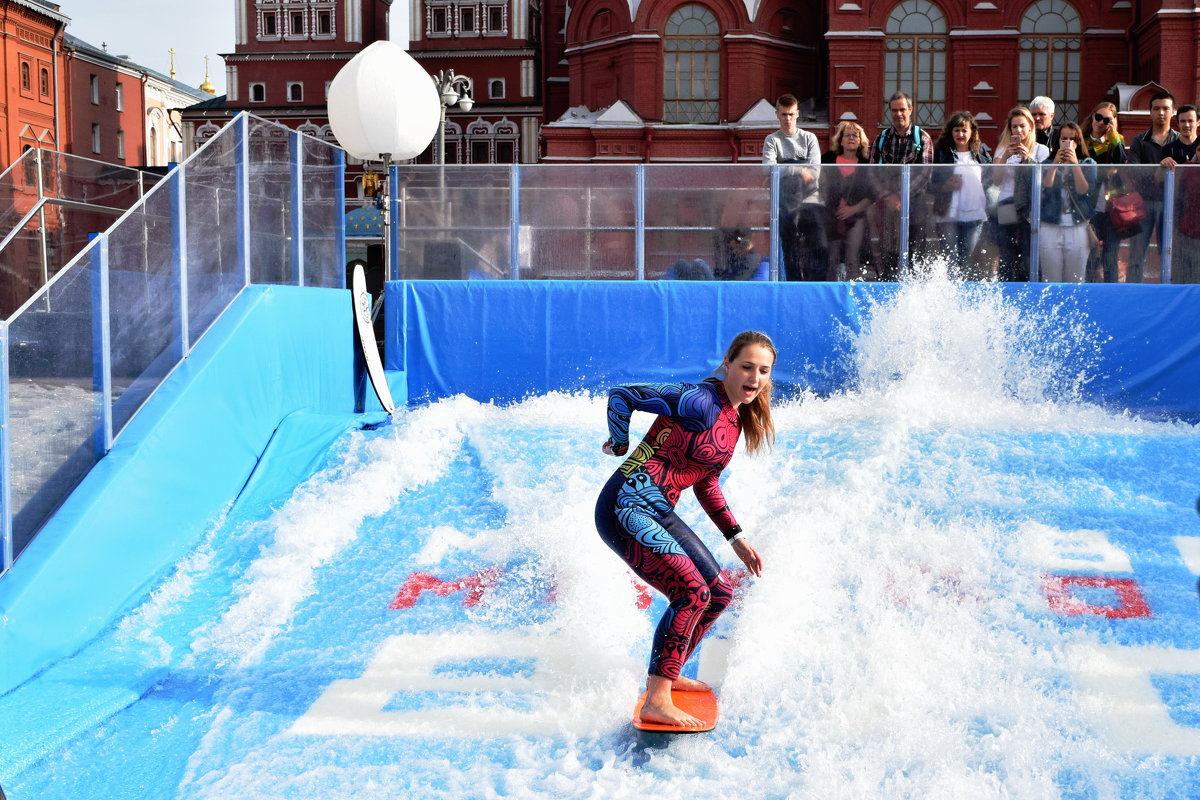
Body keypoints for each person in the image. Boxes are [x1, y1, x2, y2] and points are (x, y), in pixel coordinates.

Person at [595, 331, 772, 728]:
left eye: (763, 371)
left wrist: (737, 538)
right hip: (626, 504)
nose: (754, 377)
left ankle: (667, 677)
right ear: (727, 365)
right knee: (691, 592)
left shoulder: (733, 422)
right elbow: (622, 395)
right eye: (746, 366)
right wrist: (620, 444)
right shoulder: (698, 399)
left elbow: (706, 483)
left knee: (719, 592)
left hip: (658, 509)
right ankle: (657, 699)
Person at [869, 91, 934, 281]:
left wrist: (900, 196)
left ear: (910, 110)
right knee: (888, 251)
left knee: (916, 251)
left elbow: (925, 172)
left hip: (915, 203)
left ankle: (914, 291)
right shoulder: (881, 139)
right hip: (887, 205)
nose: (898, 114)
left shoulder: (923, 139)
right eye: (894, 110)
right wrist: (888, 196)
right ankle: (889, 288)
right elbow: (872, 171)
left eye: (902, 109)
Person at [763, 94, 826, 281]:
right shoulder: (772, 140)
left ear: (798, 114)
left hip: (810, 201)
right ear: (777, 114)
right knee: (789, 247)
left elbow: (815, 172)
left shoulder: (809, 138)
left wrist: (784, 168)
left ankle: (816, 284)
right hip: (786, 202)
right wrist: (799, 169)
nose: (787, 119)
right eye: (783, 114)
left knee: (817, 244)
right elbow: (767, 168)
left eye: (791, 114)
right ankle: (793, 283)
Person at [1030, 121, 1097, 283]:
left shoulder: (1088, 163)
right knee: (1050, 277)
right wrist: (1054, 165)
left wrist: (1075, 165)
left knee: (1075, 278)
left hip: (1078, 225)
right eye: (1064, 139)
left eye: (1072, 139)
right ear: (1057, 141)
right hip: (1050, 225)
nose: (1068, 143)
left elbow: (1084, 191)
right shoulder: (1045, 164)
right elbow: (1044, 188)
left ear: (1078, 142)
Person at [991, 106, 1050, 282]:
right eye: (1014, 126)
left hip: (1029, 207)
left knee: (1028, 253)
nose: (1018, 130)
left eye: (1022, 126)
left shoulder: (1041, 150)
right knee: (1007, 253)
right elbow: (996, 180)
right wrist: (1005, 157)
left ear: (1030, 127)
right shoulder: (1002, 149)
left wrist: (1027, 160)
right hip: (1006, 204)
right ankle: (1006, 289)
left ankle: (1030, 290)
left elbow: (1042, 182)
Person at [1127, 90, 1179, 283]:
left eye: (1166, 108)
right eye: (1156, 108)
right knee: (1137, 254)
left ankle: (1171, 291)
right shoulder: (1139, 140)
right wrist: (1158, 172)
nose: (1161, 113)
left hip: (1173, 205)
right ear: (1150, 112)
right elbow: (1133, 171)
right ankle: (1132, 293)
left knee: (1170, 253)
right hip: (1144, 202)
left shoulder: (1180, 140)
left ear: (1173, 111)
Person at [930, 111, 992, 272]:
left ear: (972, 132)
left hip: (974, 214)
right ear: (951, 132)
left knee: (965, 260)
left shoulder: (981, 152)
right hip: (948, 213)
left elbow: (991, 178)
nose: (960, 134)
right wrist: (945, 186)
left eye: (964, 130)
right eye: (956, 130)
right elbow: (930, 184)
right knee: (949, 260)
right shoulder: (942, 153)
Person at [821, 121, 875, 280]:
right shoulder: (828, 159)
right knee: (832, 259)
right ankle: (830, 296)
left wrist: (853, 209)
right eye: (847, 135)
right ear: (841, 139)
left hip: (857, 216)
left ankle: (852, 297)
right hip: (831, 215)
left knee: (853, 258)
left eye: (855, 135)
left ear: (860, 140)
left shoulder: (867, 162)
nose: (851, 138)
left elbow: (872, 193)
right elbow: (820, 184)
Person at [1083, 101, 1128, 283]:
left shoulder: (1116, 140)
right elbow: (1087, 169)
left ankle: (1112, 292)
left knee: (1110, 255)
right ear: (1092, 116)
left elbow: (1119, 163)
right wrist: (1104, 171)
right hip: (1089, 205)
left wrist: (1114, 134)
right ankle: (1089, 290)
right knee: (1089, 253)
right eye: (1098, 117)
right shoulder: (1083, 141)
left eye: (1106, 119)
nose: (1101, 122)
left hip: (1113, 207)